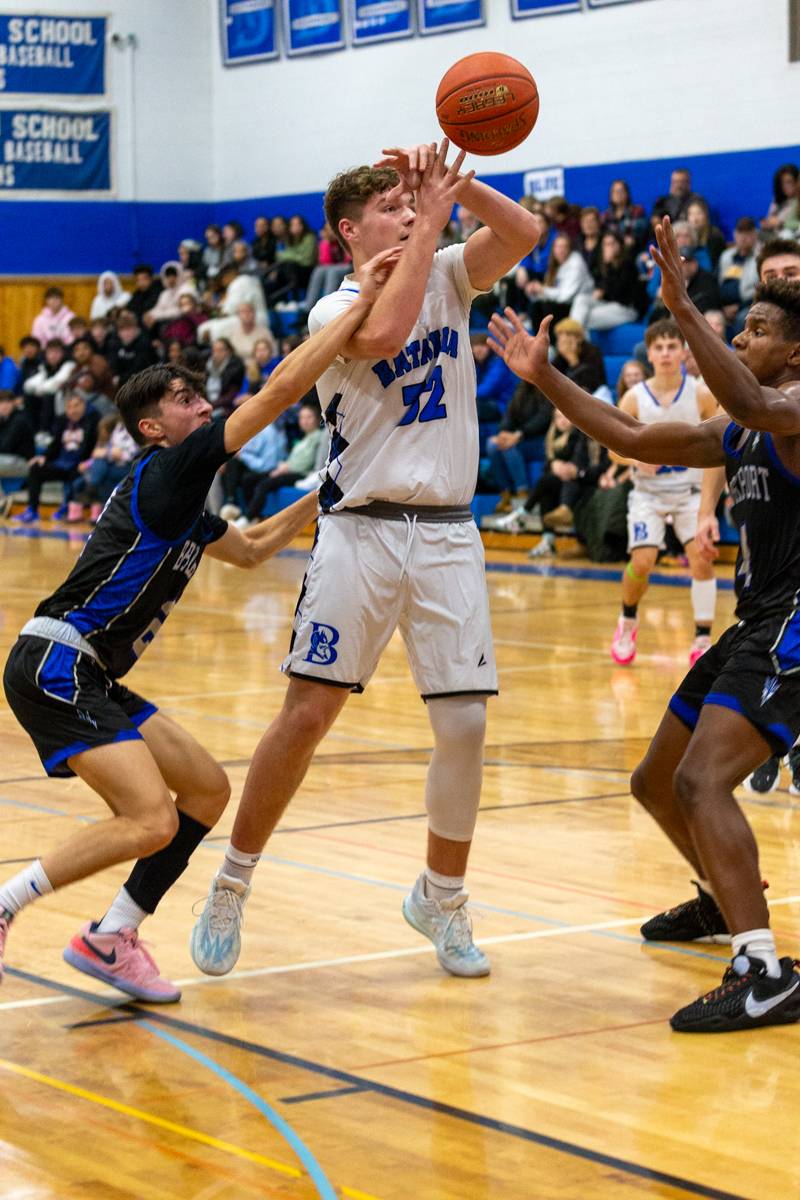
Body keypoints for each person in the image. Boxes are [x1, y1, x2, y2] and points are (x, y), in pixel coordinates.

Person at [190, 139, 542, 982]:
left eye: (409, 203)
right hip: (360, 530)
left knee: (465, 724)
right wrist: (429, 227)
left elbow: (525, 231)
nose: (409, 213)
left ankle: (442, 898)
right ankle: (232, 882)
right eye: (391, 207)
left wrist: (458, 184)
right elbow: (385, 335)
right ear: (350, 230)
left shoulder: (450, 270)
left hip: (450, 530)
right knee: (307, 716)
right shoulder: (334, 308)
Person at [0, 251, 392, 998]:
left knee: (206, 791)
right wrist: (351, 315)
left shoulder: (184, 504)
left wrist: (330, 492)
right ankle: (5, 906)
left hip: (89, 670)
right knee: (150, 818)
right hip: (57, 662)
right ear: (154, 427)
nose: (202, 403)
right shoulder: (168, 468)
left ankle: (113, 936)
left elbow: (250, 550)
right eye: (185, 399)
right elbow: (279, 390)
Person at [487, 216, 800, 1033]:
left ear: (795, 352)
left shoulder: (789, 407)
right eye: (740, 323)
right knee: (656, 781)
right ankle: (721, 897)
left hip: (797, 627)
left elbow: (757, 398)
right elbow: (629, 433)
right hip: (757, 618)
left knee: (704, 781)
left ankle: (764, 971)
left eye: (757, 328)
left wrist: (684, 308)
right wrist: (545, 374)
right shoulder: (744, 426)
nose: (742, 333)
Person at [697, 236, 800, 796]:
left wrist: (684, 311)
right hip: (765, 596)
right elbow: (732, 435)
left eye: (793, 271)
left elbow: (753, 409)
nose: (787, 277)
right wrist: (706, 508)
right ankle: (767, 744)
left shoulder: (776, 392)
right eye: (776, 272)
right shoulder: (751, 393)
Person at [605, 319, 718, 666]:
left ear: (683, 351)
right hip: (649, 493)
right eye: (660, 348)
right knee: (643, 560)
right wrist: (635, 460)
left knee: (702, 557)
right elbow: (613, 447)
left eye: (672, 346)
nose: (666, 353)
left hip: (689, 490)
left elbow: (718, 444)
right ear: (649, 353)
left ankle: (702, 637)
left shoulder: (700, 392)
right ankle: (627, 620)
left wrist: (712, 503)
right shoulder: (634, 397)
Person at [221, 399, 324, 527]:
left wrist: (285, 468)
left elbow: (306, 461)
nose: (305, 421)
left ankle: (247, 518)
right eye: (302, 417)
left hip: (300, 473)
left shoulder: (318, 436)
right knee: (249, 479)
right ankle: (253, 515)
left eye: (309, 417)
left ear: (316, 419)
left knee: (265, 484)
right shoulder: (303, 439)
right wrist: (282, 466)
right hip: (285, 468)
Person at [14, 389, 99, 523]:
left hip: (81, 464)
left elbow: (95, 446)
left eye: (76, 406)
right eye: (69, 407)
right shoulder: (62, 420)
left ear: (84, 404)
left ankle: (66, 508)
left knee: (76, 474)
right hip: (61, 462)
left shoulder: (94, 421)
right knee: (35, 468)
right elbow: (55, 445)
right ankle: (32, 510)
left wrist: (89, 462)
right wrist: (43, 457)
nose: (72, 410)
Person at [570, 231, 643, 332]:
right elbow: (600, 287)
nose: (609, 247)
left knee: (587, 316)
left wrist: (608, 266)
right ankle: (571, 335)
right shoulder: (605, 265)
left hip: (627, 309)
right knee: (581, 299)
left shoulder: (628, 264)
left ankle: (572, 338)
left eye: (612, 243)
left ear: (620, 245)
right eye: (606, 244)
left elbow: (617, 292)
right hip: (610, 305)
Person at [717, 217, 760, 335]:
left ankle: (738, 352)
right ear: (735, 235)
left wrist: (739, 307)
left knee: (743, 318)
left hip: (749, 305)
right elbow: (717, 283)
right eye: (741, 233)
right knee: (712, 317)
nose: (744, 238)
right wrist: (722, 308)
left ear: (755, 235)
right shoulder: (726, 256)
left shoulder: (760, 257)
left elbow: (762, 288)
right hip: (724, 306)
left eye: (748, 233)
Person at [601, 179, 647, 253]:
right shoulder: (606, 215)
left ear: (627, 193)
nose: (617, 194)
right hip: (612, 251)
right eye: (615, 191)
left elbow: (639, 233)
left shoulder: (637, 211)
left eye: (620, 191)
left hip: (633, 250)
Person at [761, 163, 799, 237]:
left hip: (792, 238)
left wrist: (781, 223)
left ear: (797, 182)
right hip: (773, 236)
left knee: (786, 234)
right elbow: (770, 219)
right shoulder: (776, 201)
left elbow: (797, 225)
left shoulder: (797, 201)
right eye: (781, 183)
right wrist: (767, 224)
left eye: (788, 182)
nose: (785, 186)